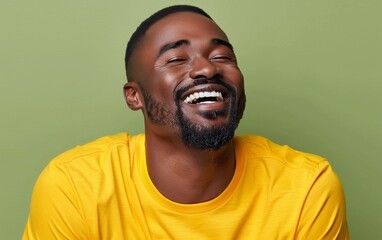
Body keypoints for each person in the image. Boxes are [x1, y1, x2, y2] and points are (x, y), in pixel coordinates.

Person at [23, 5, 349, 239]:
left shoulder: (307, 189)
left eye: (222, 57)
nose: (207, 69)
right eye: (176, 59)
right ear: (134, 96)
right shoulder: (74, 188)